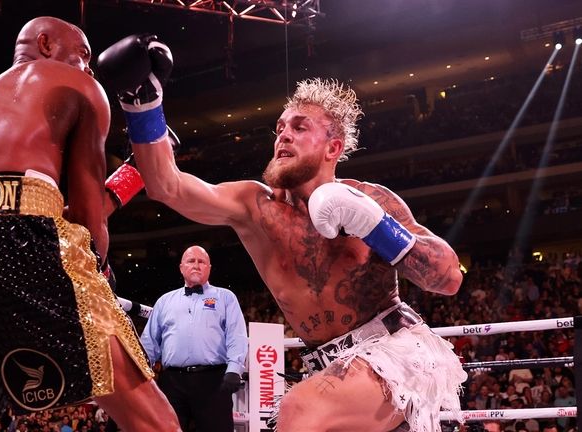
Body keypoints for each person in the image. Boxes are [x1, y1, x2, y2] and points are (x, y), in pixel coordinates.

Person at [97, 35, 467, 431]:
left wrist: (375, 225)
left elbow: (448, 279)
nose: (283, 135)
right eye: (279, 128)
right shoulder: (255, 207)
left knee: (299, 412)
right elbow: (165, 185)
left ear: (332, 147)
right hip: (332, 369)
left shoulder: (371, 198)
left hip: (397, 352)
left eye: (299, 127)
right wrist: (143, 106)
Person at [0, 17, 179, 432]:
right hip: (23, 242)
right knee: (152, 417)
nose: (90, 69)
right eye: (84, 55)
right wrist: (97, 266)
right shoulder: (79, 85)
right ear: (45, 43)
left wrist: (127, 182)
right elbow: (85, 213)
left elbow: (9, 196)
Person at [140, 245, 248, 432]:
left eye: (201, 261)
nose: (196, 265)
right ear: (182, 267)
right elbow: (149, 342)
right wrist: (139, 373)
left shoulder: (225, 297)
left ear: (209, 268)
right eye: (191, 261)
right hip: (172, 381)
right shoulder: (165, 301)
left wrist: (234, 369)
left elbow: (236, 335)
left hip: (213, 380)